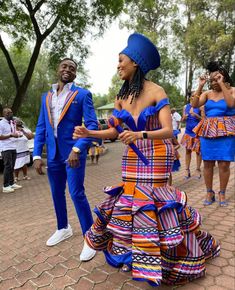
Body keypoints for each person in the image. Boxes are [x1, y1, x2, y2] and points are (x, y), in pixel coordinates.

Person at [73, 33, 220, 286]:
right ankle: (142, 258)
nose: (118, 65)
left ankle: (168, 259)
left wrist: (139, 133)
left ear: (136, 62)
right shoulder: (121, 96)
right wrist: (90, 133)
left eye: (121, 60)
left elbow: (167, 130)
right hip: (132, 159)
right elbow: (115, 131)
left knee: (157, 207)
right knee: (134, 207)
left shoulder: (156, 90)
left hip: (157, 156)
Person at [33, 58, 97, 261]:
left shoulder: (82, 94)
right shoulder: (46, 96)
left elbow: (92, 126)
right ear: (57, 70)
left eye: (72, 68)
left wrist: (78, 149)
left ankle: (90, 237)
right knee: (56, 193)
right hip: (52, 155)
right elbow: (41, 127)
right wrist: (36, 154)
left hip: (73, 156)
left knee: (76, 193)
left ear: (75, 74)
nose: (67, 69)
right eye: (64, 66)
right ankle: (63, 227)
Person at [192, 61, 235, 207]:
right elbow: (194, 105)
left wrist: (222, 85)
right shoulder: (207, 93)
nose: (214, 82)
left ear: (224, 77)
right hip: (208, 131)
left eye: (217, 79)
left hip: (226, 131)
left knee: (224, 164)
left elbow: (230, 104)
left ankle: (222, 193)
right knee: (208, 163)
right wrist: (200, 85)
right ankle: (209, 192)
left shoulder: (232, 90)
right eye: (213, 79)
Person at [181, 94, 203, 179]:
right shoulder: (185, 106)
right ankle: (187, 170)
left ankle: (198, 169)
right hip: (188, 132)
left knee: (198, 152)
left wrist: (195, 114)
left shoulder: (200, 106)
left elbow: (203, 119)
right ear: (191, 97)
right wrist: (184, 117)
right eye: (193, 96)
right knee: (188, 151)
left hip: (197, 132)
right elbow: (182, 120)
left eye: (197, 96)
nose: (195, 97)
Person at [0, 108, 22, 193]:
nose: (11, 114)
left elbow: (14, 132)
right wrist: (10, 135)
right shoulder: (1, 123)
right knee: (7, 166)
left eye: (11, 112)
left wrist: (17, 133)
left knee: (12, 166)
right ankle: (5, 186)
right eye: (8, 113)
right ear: (4, 114)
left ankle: (11, 183)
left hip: (13, 146)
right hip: (5, 148)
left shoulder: (12, 123)